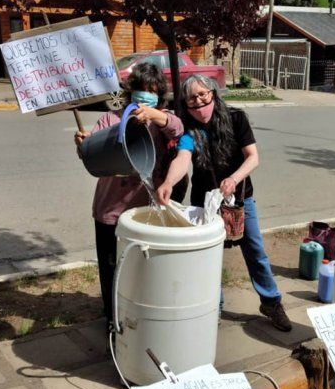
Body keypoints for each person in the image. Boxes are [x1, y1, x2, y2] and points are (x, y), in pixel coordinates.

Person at [156, 74, 292, 332]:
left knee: (255, 252)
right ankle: (213, 307)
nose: (198, 102)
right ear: (185, 103)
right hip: (204, 203)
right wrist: (169, 183)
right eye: (191, 98)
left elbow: (252, 157)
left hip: (240, 199)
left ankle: (271, 302)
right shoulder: (188, 128)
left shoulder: (236, 118)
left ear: (212, 93)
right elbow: (183, 158)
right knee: (209, 257)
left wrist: (233, 178)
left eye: (202, 94)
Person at [74, 62, 183, 333]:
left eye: (152, 91)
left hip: (146, 214)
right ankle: (112, 320)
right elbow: (92, 158)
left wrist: (154, 115)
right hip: (110, 212)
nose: (145, 95)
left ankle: (141, 320)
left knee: (143, 269)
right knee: (111, 269)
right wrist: (84, 145)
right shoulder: (111, 119)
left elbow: (178, 129)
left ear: (159, 95)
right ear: (130, 91)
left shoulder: (162, 120)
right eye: (141, 89)